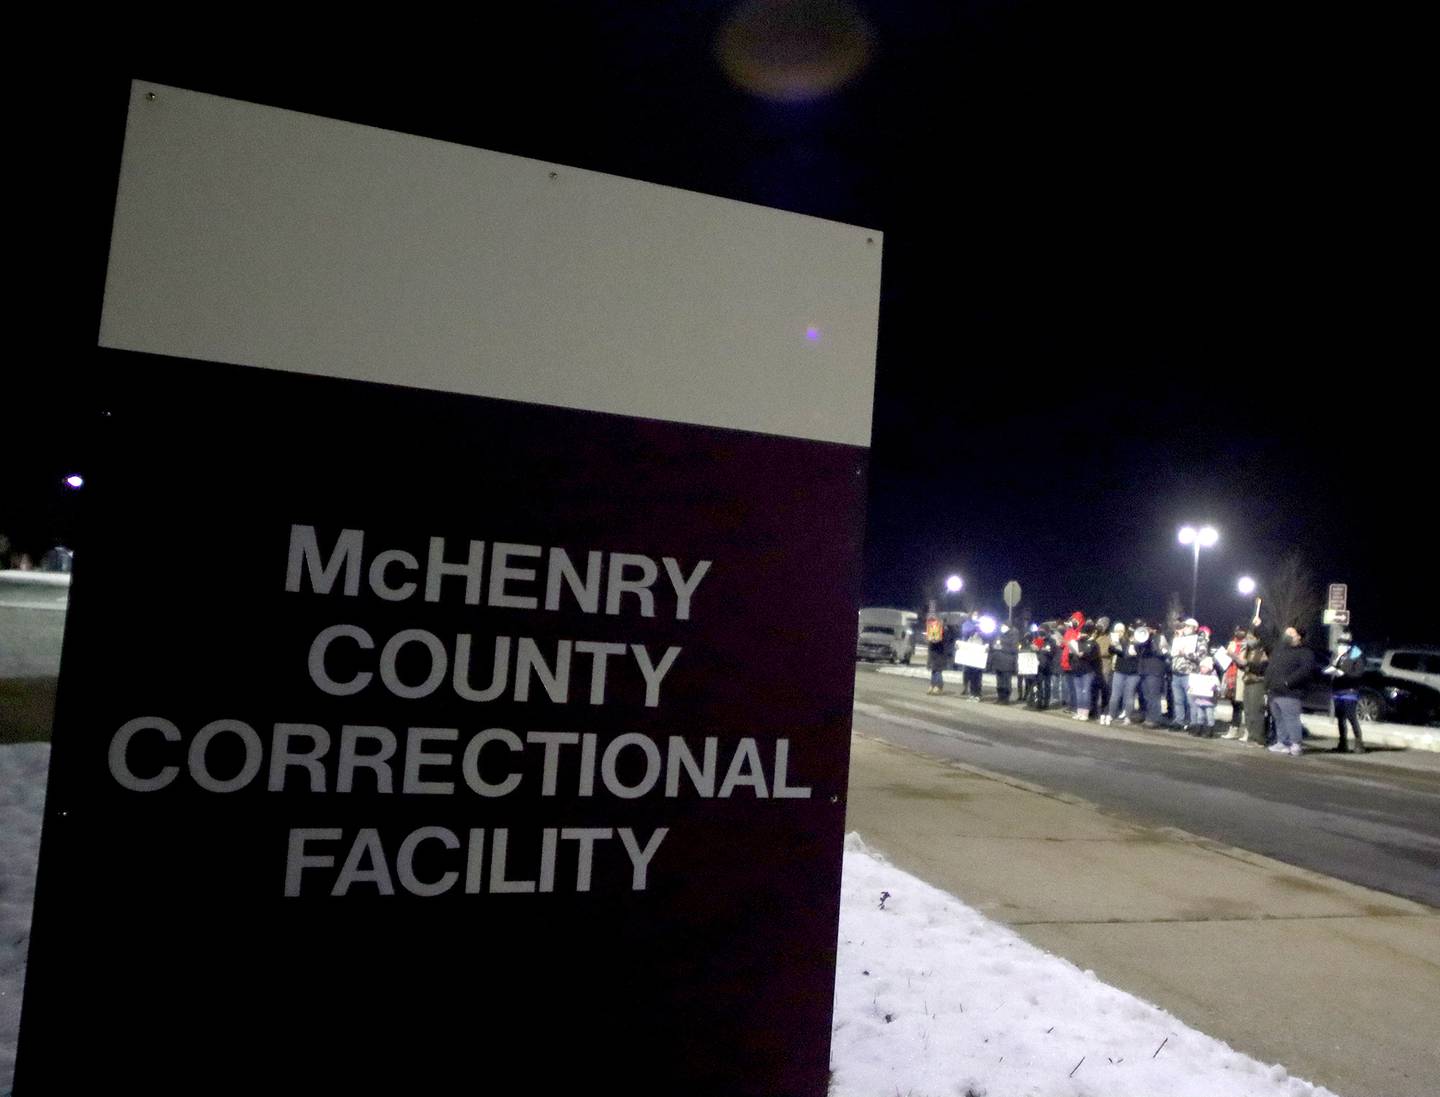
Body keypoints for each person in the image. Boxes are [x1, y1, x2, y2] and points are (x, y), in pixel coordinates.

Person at [1256, 615, 1316, 757]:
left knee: (1291, 719)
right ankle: (1282, 742)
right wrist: (1259, 626)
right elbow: (1267, 640)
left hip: (1290, 692)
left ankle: (1296, 744)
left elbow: (1305, 671)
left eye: (1291, 633)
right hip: (1274, 691)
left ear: (1298, 637)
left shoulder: (1305, 652)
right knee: (1279, 719)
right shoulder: (1279, 649)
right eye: (1286, 633)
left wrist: (1288, 682)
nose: (1287, 635)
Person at [1322, 631, 1367, 753]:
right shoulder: (1336, 654)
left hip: (1350, 690)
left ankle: (1359, 743)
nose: (1341, 645)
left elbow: (1359, 673)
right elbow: (1332, 666)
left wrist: (1345, 674)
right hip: (1338, 690)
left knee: (1351, 717)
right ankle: (1342, 743)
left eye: (1345, 643)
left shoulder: (1355, 653)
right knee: (1340, 718)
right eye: (1340, 643)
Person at [1168, 617, 1204, 730]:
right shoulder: (1180, 638)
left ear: (1195, 628)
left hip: (1190, 673)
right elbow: (1172, 653)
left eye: (1188, 626)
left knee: (1191, 700)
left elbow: (1201, 656)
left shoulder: (1199, 639)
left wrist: (1186, 654)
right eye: (1185, 626)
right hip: (1176, 673)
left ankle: (1193, 723)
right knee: (1178, 700)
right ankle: (1179, 720)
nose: (1185, 628)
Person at [1134, 621, 1168, 728]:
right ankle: (1148, 717)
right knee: (1146, 696)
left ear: (1154, 629)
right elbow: (1137, 652)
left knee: (1154, 696)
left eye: (1149, 628)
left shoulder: (1160, 638)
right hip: (1144, 670)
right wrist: (1138, 643)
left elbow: (1162, 652)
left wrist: (1152, 641)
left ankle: (1154, 719)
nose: (1147, 630)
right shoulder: (1144, 640)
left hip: (1155, 671)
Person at [1103, 622, 1138, 726]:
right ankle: (1111, 714)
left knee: (1129, 695)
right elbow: (1112, 651)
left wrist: (1130, 645)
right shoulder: (1117, 641)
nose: (1119, 633)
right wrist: (1113, 645)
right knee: (1115, 695)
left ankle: (1127, 717)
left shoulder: (1131, 641)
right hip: (1119, 670)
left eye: (1121, 631)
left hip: (1133, 672)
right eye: (1117, 631)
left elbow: (1129, 655)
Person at [1238, 629, 1269, 745]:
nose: (1248, 640)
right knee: (1248, 710)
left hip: (1257, 682)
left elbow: (1261, 667)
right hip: (1248, 681)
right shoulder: (1248, 650)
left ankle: (1259, 737)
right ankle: (1251, 735)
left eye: (1251, 638)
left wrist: (1247, 663)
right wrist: (1238, 660)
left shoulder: (1262, 651)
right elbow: (1243, 666)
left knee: (1256, 710)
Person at [1219, 626, 1248, 739]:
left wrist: (1232, 654)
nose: (1238, 633)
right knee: (1235, 705)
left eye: (1241, 631)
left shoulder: (1246, 645)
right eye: (1237, 631)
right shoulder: (1232, 643)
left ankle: (1247, 730)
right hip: (1231, 676)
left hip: (1240, 677)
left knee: (1243, 705)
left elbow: (1243, 662)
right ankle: (1233, 729)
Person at [1070, 622, 1101, 721]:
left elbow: (1094, 657)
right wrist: (1072, 655)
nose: (1081, 634)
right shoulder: (1076, 642)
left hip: (1087, 670)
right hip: (1077, 670)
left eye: (1082, 632)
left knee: (1085, 692)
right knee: (1078, 692)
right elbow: (1071, 657)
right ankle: (1079, 712)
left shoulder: (1092, 643)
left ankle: (1085, 713)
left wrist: (1083, 655)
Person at [1188, 656, 1220, 735]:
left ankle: (1210, 730)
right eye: (1201, 667)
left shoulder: (1213, 677)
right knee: (1200, 716)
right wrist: (1191, 687)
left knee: (1210, 716)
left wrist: (1214, 688)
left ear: (1209, 668)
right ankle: (1199, 729)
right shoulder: (1198, 676)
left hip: (1209, 701)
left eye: (1204, 667)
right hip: (1200, 700)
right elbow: (1193, 684)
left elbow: (1219, 687)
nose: (1202, 669)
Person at [959, 610, 985, 700]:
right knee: (968, 672)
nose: (976, 616)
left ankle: (977, 692)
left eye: (977, 615)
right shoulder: (967, 623)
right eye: (974, 614)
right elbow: (965, 633)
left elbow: (987, 635)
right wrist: (974, 628)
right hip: (969, 652)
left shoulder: (982, 623)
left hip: (979, 652)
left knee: (977, 673)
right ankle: (969, 690)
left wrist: (981, 629)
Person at [991, 624, 1019, 704]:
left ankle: (1006, 699)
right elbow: (994, 644)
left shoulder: (1013, 636)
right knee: (999, 682)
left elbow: (1014, 649)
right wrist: (994, 646)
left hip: (1007, 663)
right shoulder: (999, 635)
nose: (1003, 627)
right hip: (998, 661)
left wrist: (1002, 647)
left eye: (1005, 626)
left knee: (1006, 682)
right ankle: (1000, 697)